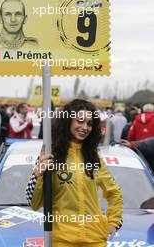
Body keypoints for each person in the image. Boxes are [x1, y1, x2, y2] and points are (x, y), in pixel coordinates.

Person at [26, 99, 123, 247]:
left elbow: (114, 192)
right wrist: (38, 174)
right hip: (62, 241)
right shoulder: (51, 156)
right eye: (80, 121)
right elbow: (34, 203)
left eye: (89, 124)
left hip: (95, 240)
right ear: (68, 122)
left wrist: (113, 223)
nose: (85, 127)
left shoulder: (93, 158)